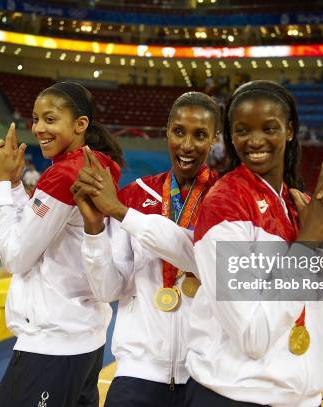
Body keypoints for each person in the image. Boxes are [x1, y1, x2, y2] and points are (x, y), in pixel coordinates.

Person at [184, 80, 323, 406]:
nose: (255, 140)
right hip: (233, 396)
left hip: (304, 399)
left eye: (269, 128)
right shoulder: (224, 205)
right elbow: (253, 337)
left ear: (289, 131)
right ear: (231, 137)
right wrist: (307, 244)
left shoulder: (300, 205)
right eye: (243, 130)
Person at [71, 92, 220, 407]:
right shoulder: (136, 194)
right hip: (138, 373)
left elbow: (206, 261)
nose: (187, 145)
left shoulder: (226, 197)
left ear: (214, 139)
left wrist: (124, 215)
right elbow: (107, 290)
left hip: (206, 374)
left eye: (200, 135)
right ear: (166, 132)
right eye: (179, 132)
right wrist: (95, 229)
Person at [0, 82, 124, 407]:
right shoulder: (94, 164)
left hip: (51, 347)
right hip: (84, 340)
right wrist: (17, 185)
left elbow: (17, 256)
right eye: (35, 119)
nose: (38, 129)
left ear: (80, 125)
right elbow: (40, 230)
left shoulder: (65, 174)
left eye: (50, 119)